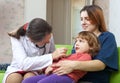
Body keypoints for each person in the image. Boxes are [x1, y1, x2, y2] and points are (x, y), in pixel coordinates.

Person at [48, 5, 118, 83]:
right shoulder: (80, 38)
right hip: (73, 79)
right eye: (81, 19)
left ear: (97, 19)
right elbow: (73, 58)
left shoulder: (107, 37)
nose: (83, 23)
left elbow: (100, 64)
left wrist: (72, 65)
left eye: (87, 19)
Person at [2, 18, 66, 83]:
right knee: (14, 79)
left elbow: (53, 57)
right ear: (31, 40)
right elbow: (23, 64)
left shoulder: (48, 35)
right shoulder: (17, 37)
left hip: (37, 69)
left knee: (29, 78)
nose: (49, 41)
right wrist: (51, 56)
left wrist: (54, 59)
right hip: (17, 67)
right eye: (45, 42)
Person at [22, 31, 100, 83]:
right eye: (76, 41)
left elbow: (67, 64)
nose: (76, 43)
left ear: (91, 46)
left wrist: (53, 67)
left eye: (81, 41)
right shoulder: (70, 55)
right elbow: (57, 62)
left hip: (67, 77)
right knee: (27, 81)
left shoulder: (86, 57)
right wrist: (48, 67)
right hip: (53, 74)